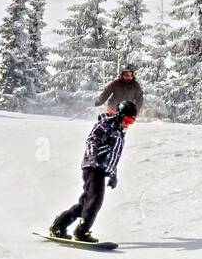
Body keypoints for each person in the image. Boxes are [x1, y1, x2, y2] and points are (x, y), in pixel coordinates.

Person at [50, 99, 137, 243]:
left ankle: (59, 226)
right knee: (95, 200)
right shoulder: (107, 125)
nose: (128, 123)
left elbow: (114, 155)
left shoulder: (120, 133)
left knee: (85, 204)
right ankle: (81, 232)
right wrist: (93, 157)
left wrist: (113, 174)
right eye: (127, 119)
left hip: (101, 169)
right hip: (93, 166)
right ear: (120, 115)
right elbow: (92, 140)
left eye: (131, 122)